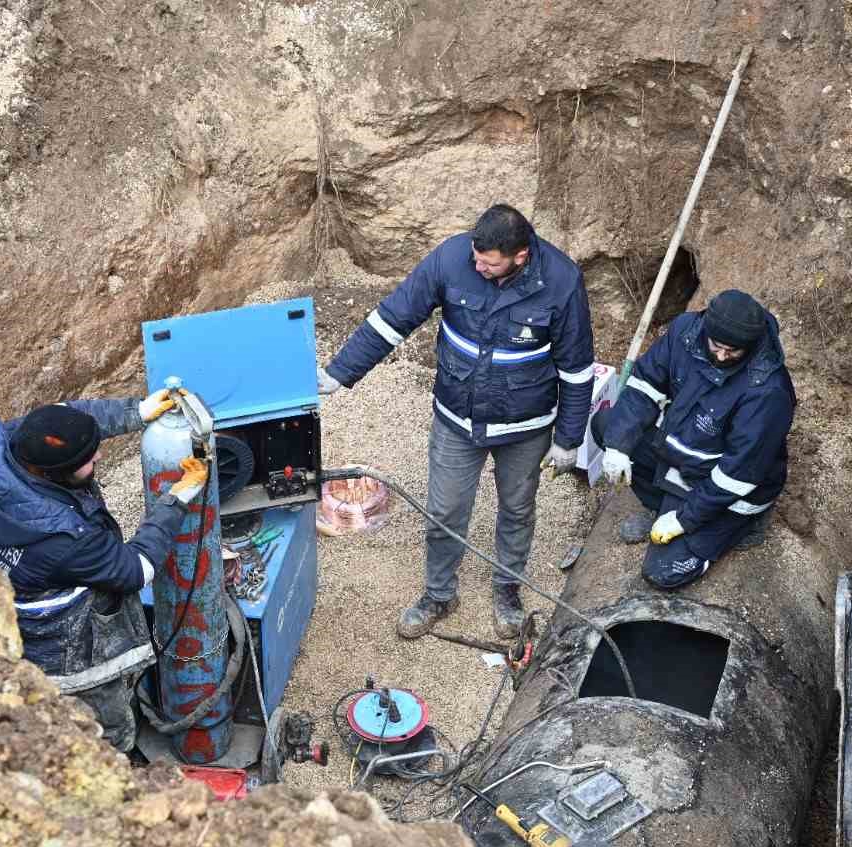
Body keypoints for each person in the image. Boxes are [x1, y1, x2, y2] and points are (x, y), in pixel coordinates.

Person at [318, 203, 595, 639]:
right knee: (445, 511)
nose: (479, 267)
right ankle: (439, 594)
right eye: (476, 258)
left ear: (520, 256)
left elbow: (577, 369)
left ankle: (507, 589)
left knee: (517, 508)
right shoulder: (451, 258)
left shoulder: (561, 282)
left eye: (490, 264)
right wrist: (339, 372)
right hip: (456, 418)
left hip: (524, 427)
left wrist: (568, 439)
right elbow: (393, 318)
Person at [0, 392, 210, 752]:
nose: (99, 457)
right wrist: (176, 501)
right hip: (62, 645)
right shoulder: (64, 538)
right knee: (103, 719)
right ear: (57, 474)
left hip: (5, 603)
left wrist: (135, 412)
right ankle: (116, 759)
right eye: (89, 460)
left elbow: (60, 417)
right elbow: (136, 569)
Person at [591, 290, 796, 589]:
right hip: (689, 455)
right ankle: (662, 505)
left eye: (733, 352)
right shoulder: (685, 333)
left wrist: (683, 520)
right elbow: (644, 385)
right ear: (705, 331)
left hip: (731, 489)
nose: (722, 356)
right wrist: (618, 446)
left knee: (663, 573)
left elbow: (736, 476)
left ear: (750, 345)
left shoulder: (767, 391)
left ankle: (744, 525)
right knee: (609, 425)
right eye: (717, 347)